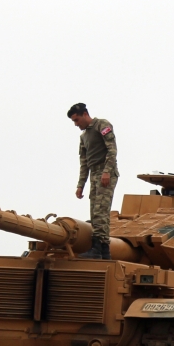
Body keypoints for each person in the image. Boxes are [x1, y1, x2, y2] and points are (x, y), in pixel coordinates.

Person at [69, 103, 118, 259]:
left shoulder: (102, 125)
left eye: (77, 120)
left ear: (85, 114)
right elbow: (84, 163)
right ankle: (104, 251)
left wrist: (106, 172)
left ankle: (97, 248)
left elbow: (112, 149)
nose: (76, 124)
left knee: (101, 211)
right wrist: (80, 185)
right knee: (95, 212)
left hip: (106, 172)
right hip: (94, 174)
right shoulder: (83, 137)